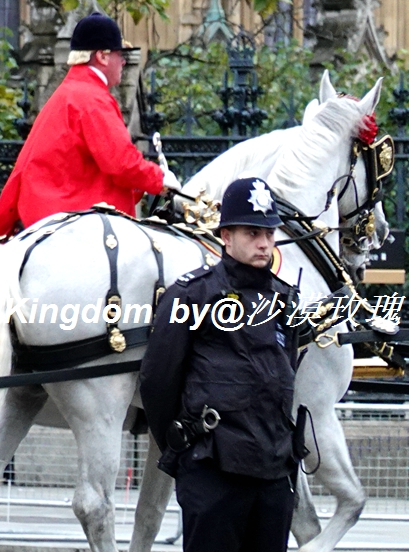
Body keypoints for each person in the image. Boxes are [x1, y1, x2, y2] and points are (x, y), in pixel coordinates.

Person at [140, 176, 300, 552]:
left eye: (269, 233)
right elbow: (157, 383)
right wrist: (185, 452)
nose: (264, 243)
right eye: (252, 232)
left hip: (273, 474)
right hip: (213, 470)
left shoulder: (283, 300)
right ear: (226, 236)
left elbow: (284, 376)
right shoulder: (191, 295)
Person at [0, 12, 177, 240]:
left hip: (48, 214)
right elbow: (120, 162)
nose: (123, 62)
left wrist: (144, 183)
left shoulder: (73, 91)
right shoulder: (91, 97)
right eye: (119, 54)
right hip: (70, 223)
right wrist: (159, 179)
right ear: (103, 57)